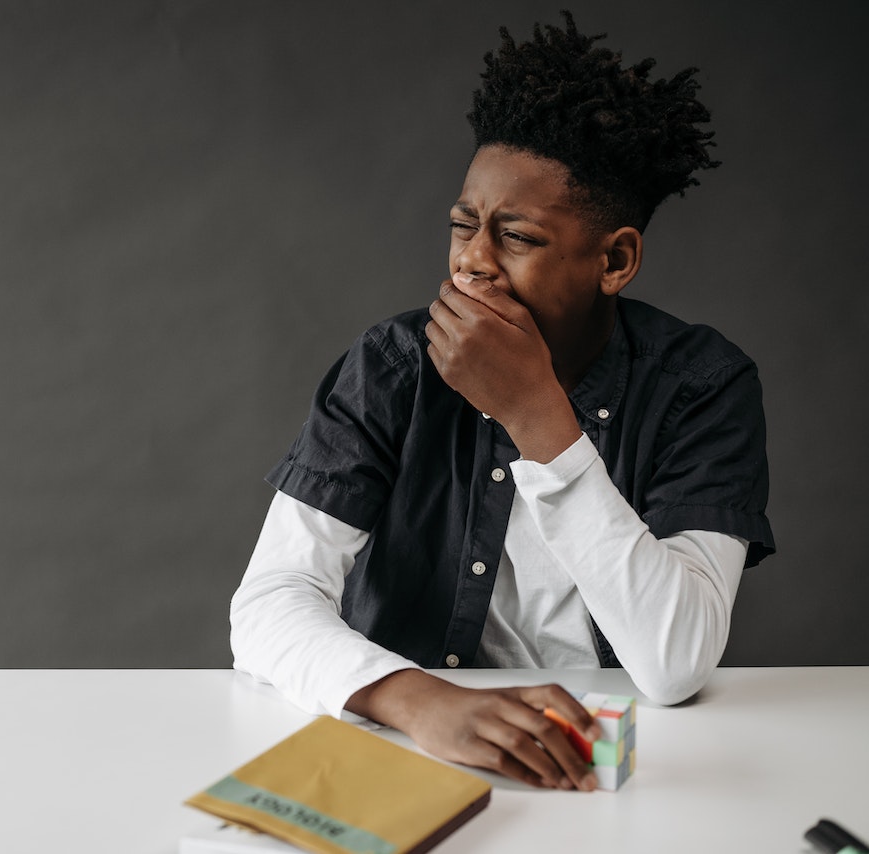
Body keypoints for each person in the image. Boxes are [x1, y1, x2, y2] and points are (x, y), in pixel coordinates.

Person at [229, 13, 774, 793]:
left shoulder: (701, 385)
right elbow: (267, 604)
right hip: (411, 749)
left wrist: (536, 415)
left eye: (514, 237)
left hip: (626, 767)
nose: (471, 263)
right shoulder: (393, 365)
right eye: (462, 227)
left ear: (614, 260)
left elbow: (674, 663)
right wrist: (420, 702)